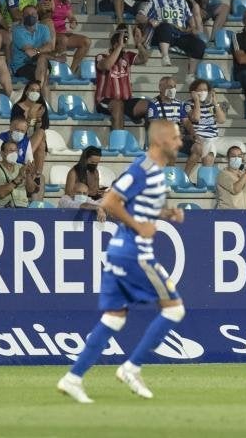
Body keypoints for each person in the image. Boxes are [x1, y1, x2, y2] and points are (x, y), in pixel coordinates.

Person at [56, 120, 186, 404]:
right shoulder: (144, 167)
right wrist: (140, 227)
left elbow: (133, 206)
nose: (179, 143)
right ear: (161, 141)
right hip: (134, 253)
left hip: (121, 251)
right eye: (175, 138)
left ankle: (73, 377)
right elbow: (111, 202)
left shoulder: (155, 171)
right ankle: (132, 367)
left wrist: (165, 214)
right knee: (174, 309)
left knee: (114, 317)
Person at [145, 0, 205, 71]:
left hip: (180, 33)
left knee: (200, 45)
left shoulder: (181, 0)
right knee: (165, 26)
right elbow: (140, 16)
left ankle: (191, 74)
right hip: (162, 33)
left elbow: (189, 16)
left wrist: (193, 27)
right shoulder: (154, 1)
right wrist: (150, 20)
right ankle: (165, 57)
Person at [95, 27, 145, 130]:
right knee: (118, 105)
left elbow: (144, 59)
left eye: (124, 43)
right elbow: (107, 65)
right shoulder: (101, 56)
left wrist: (139, 44)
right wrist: (119, 47)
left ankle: (151, 144)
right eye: (121, 42)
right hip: (105, 101)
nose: (124, 46)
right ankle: (119, 145)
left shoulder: (127, 56)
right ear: (114, 44)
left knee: (150, 106)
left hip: (126, 101)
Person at [0, 138, 36, 208]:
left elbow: (31, 190)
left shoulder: (21, 167)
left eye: (15, 151)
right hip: (3, 210)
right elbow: (1, 194)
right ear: (2, 153)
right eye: (10, 151)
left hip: (22, 208)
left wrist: (28, 175)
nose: (14, 153)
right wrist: (19, 177)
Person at [214, 145, 246, 210]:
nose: (237, 158)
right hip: (229, 214)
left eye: (239, 156)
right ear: (227, 158)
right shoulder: (223, 174)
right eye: (233, 156)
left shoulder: (244, 174)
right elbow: (235, 189)